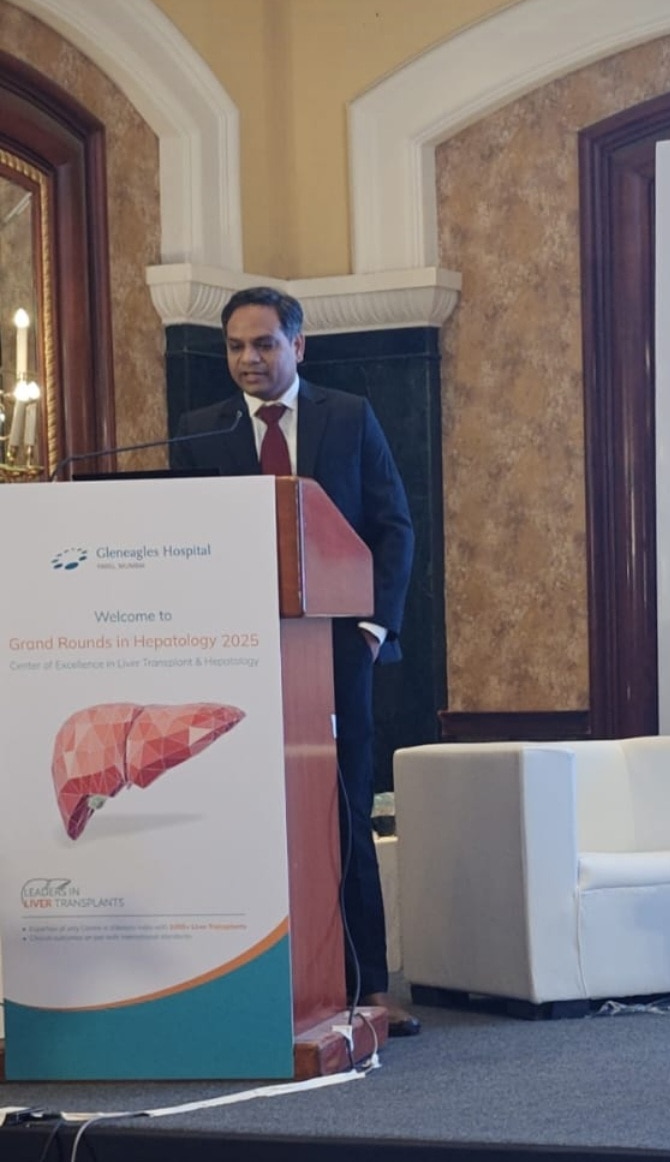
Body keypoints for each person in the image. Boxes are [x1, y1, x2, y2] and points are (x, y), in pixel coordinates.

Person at [172, 286, 420, 1035]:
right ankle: (254, 984)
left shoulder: (349, 416)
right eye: (235, 347)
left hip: (337, 653)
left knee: (344, 809)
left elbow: (393, 526)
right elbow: (187, 539)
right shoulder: (200, 431)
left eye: (264, 344)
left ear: (298, 346)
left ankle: (367, 987)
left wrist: (371, 630)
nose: (248, 359)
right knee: (249, 811)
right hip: (236, 656)